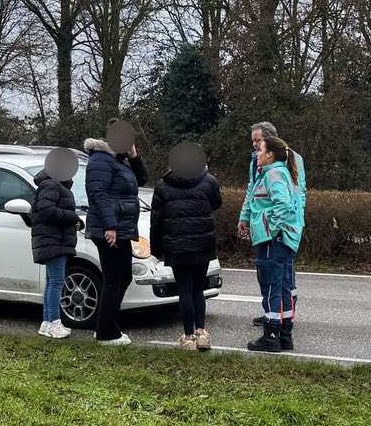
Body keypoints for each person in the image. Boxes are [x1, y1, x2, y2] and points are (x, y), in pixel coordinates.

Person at [237, 120, 307, 347]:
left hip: (275, 237)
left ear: (270, 152)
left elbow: (288, 203)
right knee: (282, 285)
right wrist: (245, 217)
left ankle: (272, 335)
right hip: (281, 235)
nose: (256, 148)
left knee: (272, 284)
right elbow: (253, 192)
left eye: (260, 144)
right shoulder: (266, 169)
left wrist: (271, 228)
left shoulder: (275, 173)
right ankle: (284, 334)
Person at [148, 141, 221, 351]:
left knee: (185, 291)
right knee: (198, 289)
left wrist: (156, 250)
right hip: (202, 243)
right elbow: (217, 203)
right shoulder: (209, 181)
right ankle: (202, 333)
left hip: (177, 246)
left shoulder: (163, 185)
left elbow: (156, 220)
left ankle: (188, 336)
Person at [83, 119, 147, 346]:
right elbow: (97, 193)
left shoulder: (120, 161)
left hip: (122, 228)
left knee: (123, 276)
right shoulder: (100, 160)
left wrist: (134, 155)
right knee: (113, 279)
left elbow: (142, 179)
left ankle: (105, 325)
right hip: (110, 229)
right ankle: (106, 333)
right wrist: (110, 225)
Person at [31, 147, 83, 339]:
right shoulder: (52, 185)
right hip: (53, 241)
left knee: (51, 282)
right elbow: (46, 210)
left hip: (54, 240)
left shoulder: (54, 184)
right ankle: (54, 321)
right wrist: (72, 217)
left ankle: (46, 322)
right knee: (57, 282)